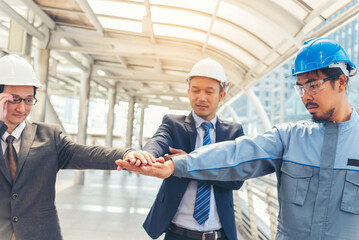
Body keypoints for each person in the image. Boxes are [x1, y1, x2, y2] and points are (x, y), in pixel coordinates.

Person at [116, 38, 359, 240]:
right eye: (300, 87)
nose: (305, 96)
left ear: (341, 81)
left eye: (313, 85)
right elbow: (236, 154)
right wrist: (174, 165)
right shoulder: (288, 138)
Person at [0, 54, 153, 240]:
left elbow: (89, 154)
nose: (22, 108)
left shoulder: (49, 136)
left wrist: (127, 153)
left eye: (28, 100)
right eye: (14, 99)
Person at [141, 58, 244, 240]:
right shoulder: (173, 124)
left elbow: (236, 180)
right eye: (195, 91)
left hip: (218, 235)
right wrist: (145, 155)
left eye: (209, 91)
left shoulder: (233, 132)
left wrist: (188, 164)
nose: (201, 97)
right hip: (177, 233)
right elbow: (158, 141)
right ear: (188, 93)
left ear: (221, 95)